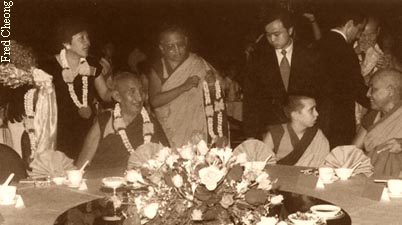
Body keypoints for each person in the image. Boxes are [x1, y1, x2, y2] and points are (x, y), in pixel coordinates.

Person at [40, 18, 112, 160]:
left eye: (88, 37)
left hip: (86, 130)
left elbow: (104, 94)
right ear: (66, 43)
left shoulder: (92, 64)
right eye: (81, 39)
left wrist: (118, 92)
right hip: (59, 131)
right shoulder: (49, 66)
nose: (88, 43)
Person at [243, 8, 321, 139]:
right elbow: (250, 101)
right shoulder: (258, 59)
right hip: (270, 132)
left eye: (276, 34)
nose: (272, 39)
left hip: (306, 131)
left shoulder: (310, 56)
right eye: (268, 35)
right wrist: (251, 135)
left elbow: (321, 95)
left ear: (290, 30)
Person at [148, 24, 228, 147]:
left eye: (180, 44)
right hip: (171, 128)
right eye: (170, 47)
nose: (177, 50)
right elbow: (154, 101)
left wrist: (212, 83)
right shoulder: (158, 68)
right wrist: (183, 87)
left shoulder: (198, 63)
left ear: (186, 41)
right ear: (162, 48)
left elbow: (220, 88)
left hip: (199, 126)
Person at [76, 72, 169, 170]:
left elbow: (166, 158)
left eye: (141, 91)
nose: (139, 98)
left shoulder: (151, 122)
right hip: (102, 182)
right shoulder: (105, 121)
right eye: (132, 92)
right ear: (117, 96)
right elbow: (81, 166)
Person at [317, 11, 370, 148]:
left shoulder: (318, 43)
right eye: (359, 30)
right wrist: (375, 101)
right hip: (338, 119)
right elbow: (356, 88)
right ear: (349, 24)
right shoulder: (346, 51)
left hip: (318, 115)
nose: (358, 36)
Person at [353, 69, 402, 177]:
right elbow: (353, 150)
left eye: (373, 89)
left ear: (391, 91)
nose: (367, 94)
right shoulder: (373, 115)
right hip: (371, 176)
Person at [264, 95, 329, 167]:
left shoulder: (318, 136)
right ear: (295, 115)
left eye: (315, 109)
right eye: (311, 110)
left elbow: (322, 167)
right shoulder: (275, 134)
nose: (316, 114)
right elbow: (262, 164)